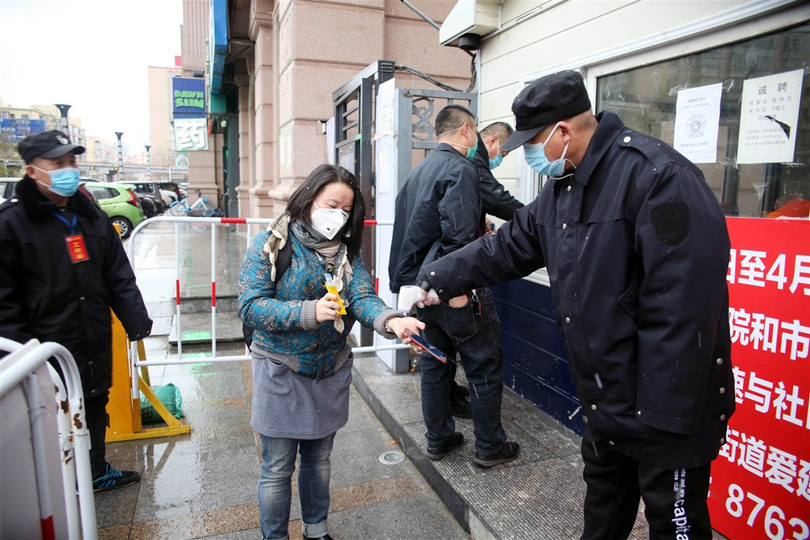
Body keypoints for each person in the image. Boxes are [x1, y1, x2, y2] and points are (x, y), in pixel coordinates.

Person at [415, 70, 734, 539]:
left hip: (669, 410)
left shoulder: (657, 176)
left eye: (532, 142)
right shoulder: (563, 188)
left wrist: (662, 425)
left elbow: (685, 311)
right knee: (602, 516)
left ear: (564, 131)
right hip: (607, 400)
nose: (525, 153)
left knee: (675, 526)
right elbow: (504, 249)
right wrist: (433, 280)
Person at [237, 164, 424, 540]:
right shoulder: (271, 244)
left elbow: (361, 297)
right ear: (309, 200)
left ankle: (316, 531)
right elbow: (250, 306)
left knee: (318, 461)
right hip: (280, 370)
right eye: (330, 204)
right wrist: (308, 312)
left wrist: (392, 320)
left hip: (329, 370)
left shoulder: (346, 254)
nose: (336, 216)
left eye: (345, 210)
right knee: (277, 467)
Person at [0, 130, 153, 491]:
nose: (69, 169)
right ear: (33, 172)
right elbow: (4, 299)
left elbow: (118, 274)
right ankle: (50, 484)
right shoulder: (11, 223)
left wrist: (136, 319)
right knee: (46, 412)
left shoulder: (91, 217)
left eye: (72, 162)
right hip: (41, 342)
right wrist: (22, 353)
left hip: (90, 331)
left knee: (93, 400)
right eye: (58, 164)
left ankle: (95, 470)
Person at [389, 104, 520, 468]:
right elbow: (458, 236)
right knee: (483, 365)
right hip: (452, 287)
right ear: (467, 130)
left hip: (420, 288)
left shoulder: (421, 171)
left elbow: (415, 230)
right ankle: (490, 446)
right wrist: (460, 291)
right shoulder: (460, 168)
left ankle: (439, 438)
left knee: (436, 364)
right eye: (476, 134)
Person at [474, 121, 524, 222]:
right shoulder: (476, 162)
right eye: (503, 154)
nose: (500, 159)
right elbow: (497, 200)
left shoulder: (470, 153)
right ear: (492, 141)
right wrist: (529, 217)